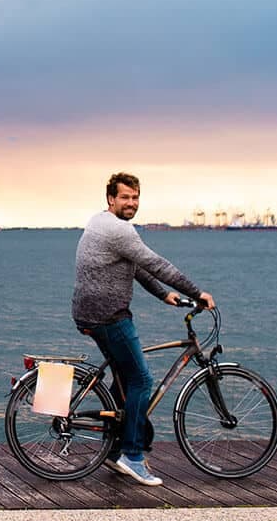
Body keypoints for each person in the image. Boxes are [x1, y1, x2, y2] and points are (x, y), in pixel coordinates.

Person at [73, 172, 214, 487]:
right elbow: (157, 264)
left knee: (125, 378)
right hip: (109, 316)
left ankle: (114, 449)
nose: (131, 203)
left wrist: (163, 294)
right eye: (125, 197)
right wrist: (196, 293)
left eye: (135, 197)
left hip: (89, 314)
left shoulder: (99, 222)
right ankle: (133, 456)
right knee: (141, 380)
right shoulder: (119, 230)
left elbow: (134, 266)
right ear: (111, 199)